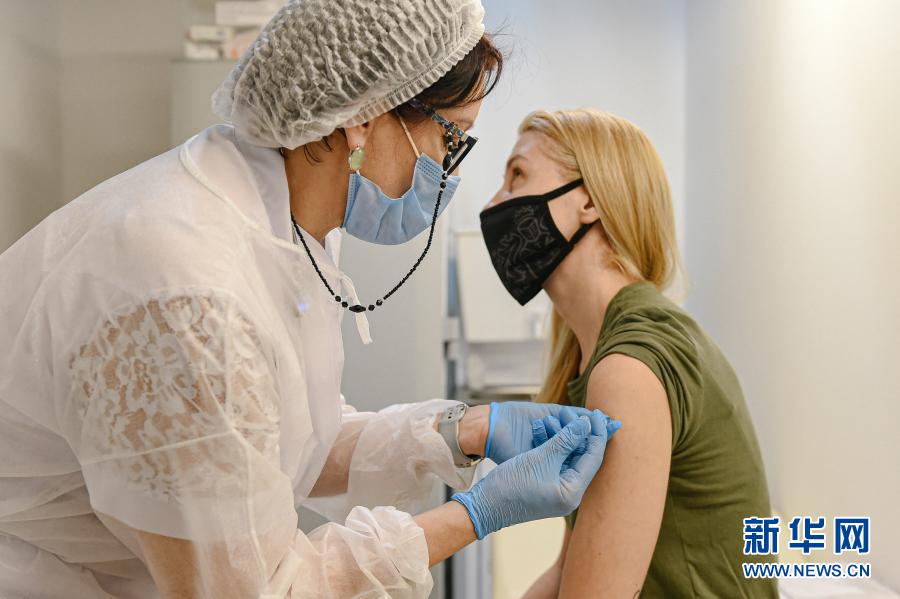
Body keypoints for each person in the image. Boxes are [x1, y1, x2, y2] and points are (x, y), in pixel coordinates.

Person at [0, 3, 621, 597]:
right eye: (450, 139)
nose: (448, 174)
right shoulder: (190, 298)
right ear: (365, 118)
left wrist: (459, 432)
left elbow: (273, 441)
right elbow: (258, 588)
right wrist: (475, 513)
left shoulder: (278, 224)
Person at [480, 108, 777, 598]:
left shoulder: (628, 367)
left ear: (589, 201)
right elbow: (565, 573)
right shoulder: (590, 354)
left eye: (517, 175)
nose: (495, 202)